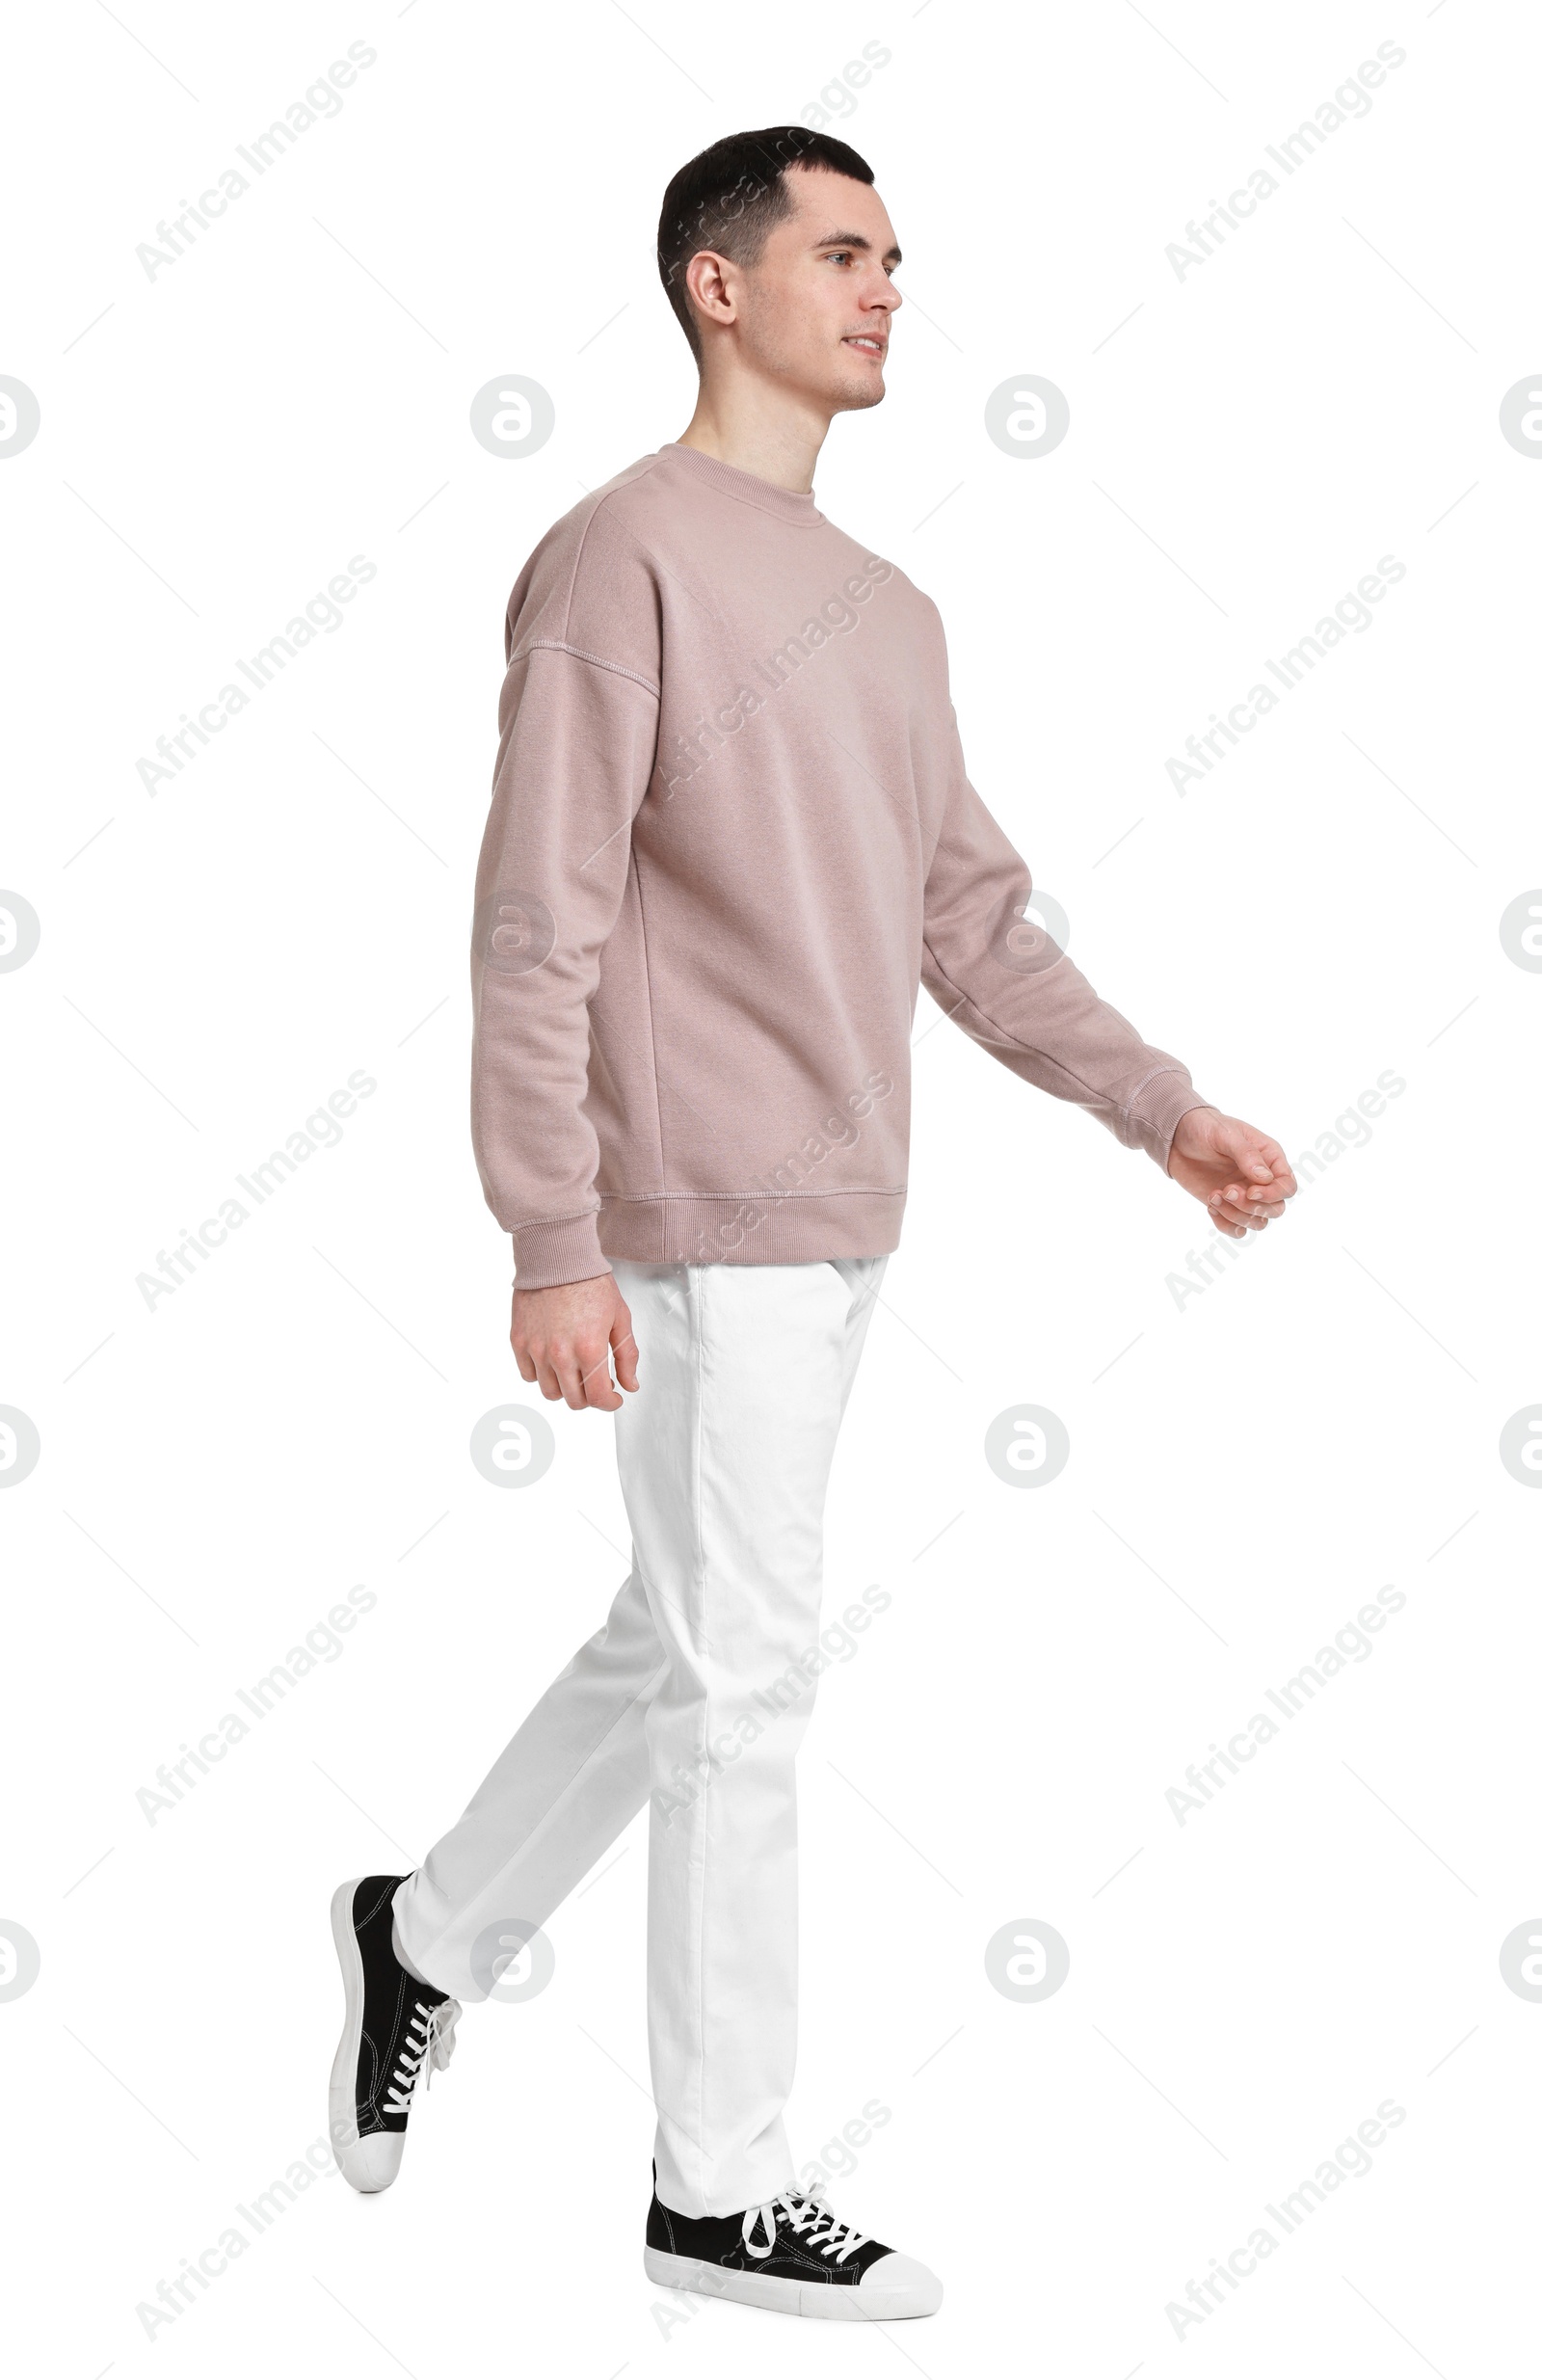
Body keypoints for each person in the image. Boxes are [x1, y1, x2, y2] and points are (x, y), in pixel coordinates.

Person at [328, 124, 1295, 2322]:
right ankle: (716, 2183)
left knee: (682, 1636)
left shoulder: (888, 610)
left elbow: (964, 913)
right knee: (746, 1684)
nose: (884, 289)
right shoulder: (615, 559)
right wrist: (548, 1229)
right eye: (841, 251)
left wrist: (1158, 1105)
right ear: (715, 284)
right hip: (685, 1216)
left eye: (893, 258)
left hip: (848, 1215)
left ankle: (426, 1929)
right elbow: (535, 918)